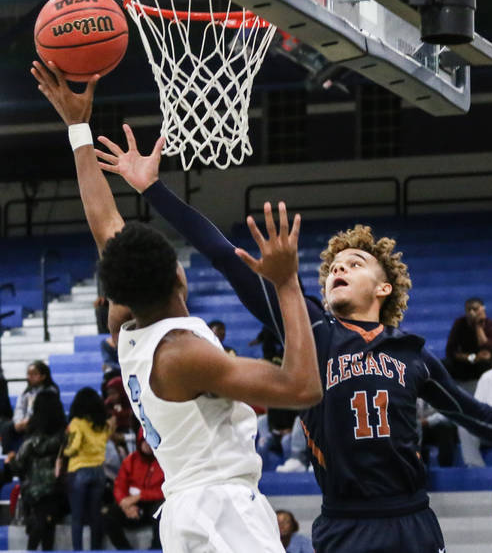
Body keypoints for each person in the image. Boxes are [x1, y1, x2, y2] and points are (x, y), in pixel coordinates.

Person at [89, 120, 492, 551]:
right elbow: (226, 256)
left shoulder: (413, 357)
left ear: (383, 286)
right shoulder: (312, 330)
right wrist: (152, 189)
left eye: (354, 263)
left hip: (411, 519)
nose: (338, 268)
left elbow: (479, 417)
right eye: (333, 265)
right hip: (344, 523)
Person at [35, 59, 324, 552]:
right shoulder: (183, 354)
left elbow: (104, 223)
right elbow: (302, 388)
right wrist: (288, 284)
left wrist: (79, 129)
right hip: (223, 515)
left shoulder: (125, 327)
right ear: (176, 276)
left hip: (190, 509)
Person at [5, 390, 67, 551]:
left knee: (40, 523)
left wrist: (10, 460)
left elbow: (18, 466)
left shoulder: (31, 440)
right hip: (56, 487)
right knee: (48, 525)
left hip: (33, 490)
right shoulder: (63, 436)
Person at [61, 387, 111, 551]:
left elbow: (72, 448)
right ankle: (96, 549)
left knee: (78, 517)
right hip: (98, 472)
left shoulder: (76, 423)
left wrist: (64, 447)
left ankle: (78, 550)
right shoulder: (103, 425)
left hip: (79, 471)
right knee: (95, 515)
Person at [104, 429, 164, 550]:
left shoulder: (162, 462)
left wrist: (140, 496)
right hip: (130, 505)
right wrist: (124, 504)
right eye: (144, 441)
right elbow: (119, 485)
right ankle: (125, 550)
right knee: (109, 516)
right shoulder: (130, 461)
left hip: (151, 505)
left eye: (149, 441)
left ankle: (154, 550)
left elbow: (163, 491)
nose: (147, 444)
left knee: (161, 513)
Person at [2, 361, 59, 455]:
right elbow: (19, 408)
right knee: (6, 427)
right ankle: (7, 455)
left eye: (34, 374)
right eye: (28, 374)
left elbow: (45, 412)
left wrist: (29, 421)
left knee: (36, 427)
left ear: (43, 376)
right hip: (24, 422)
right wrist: (18, 422)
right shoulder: (26, 392)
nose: (30, 377)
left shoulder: (50, 392)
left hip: (41, 422)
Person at [444, 297, 492, 381]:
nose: (471, 313)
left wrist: (478, 326)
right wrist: (472, 357)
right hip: (465, 361)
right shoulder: (459, 323)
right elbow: (450, 350)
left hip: (483, 364)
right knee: (444, 365)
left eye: (475, 309)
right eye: (468, 310)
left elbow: (488, 349)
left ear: (483, 309)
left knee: (489, 364)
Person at [417, 399, 458, 469]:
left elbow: (449, 414)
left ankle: (446, 468)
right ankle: (418, 465)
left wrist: (427, 421)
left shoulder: (443, 392)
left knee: (445, 429)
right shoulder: (410, 392)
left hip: (441, 425)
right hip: (420, 427)